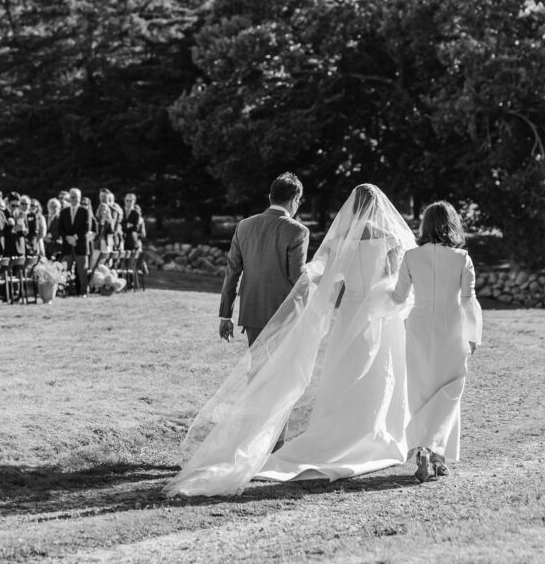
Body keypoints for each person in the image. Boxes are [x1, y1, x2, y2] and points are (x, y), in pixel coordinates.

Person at [164, 184, 416, 497]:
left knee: (333, 373)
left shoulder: (338, 239)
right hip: (378, 315)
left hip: (342, 312)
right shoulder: (390, 239)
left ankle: (265, 439)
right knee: (378, 375)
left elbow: (322, 276)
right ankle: (372, 433)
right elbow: (395, 280)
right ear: (378, 207)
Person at [392, 200, 483, 482]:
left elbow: (398, 297)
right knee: (450, 391)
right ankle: (436, 456)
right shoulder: (462, 258)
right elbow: (468, 300)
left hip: (418, 329)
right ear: (452, 224)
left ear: (425, 225)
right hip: (451, 330)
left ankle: (426, 452)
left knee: (422, 393)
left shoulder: (411, 256)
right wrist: (473, 335)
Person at [218, 173, 309, 346]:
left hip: (252, 312)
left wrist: (226, 315)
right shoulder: (298, 231)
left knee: (258, 363)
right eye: (299, 201)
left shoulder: (243, 226)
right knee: (281, 363)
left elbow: (232, 273)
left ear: (270, 197)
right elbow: (297, 277)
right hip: (284, 314)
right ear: (294, 200)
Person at [59, 187, 92, 295]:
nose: (73, 199)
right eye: (72, 197)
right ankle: (64, 291)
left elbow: (87, 227)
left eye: (76, 197)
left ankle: (84, 291)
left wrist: (75, 237)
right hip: (67, 246)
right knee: (65, 270)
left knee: (82, 271)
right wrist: (67, 238)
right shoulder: (64, 212)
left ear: (79, 198)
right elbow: (60, 228)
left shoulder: (85, 211)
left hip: (81, 245)